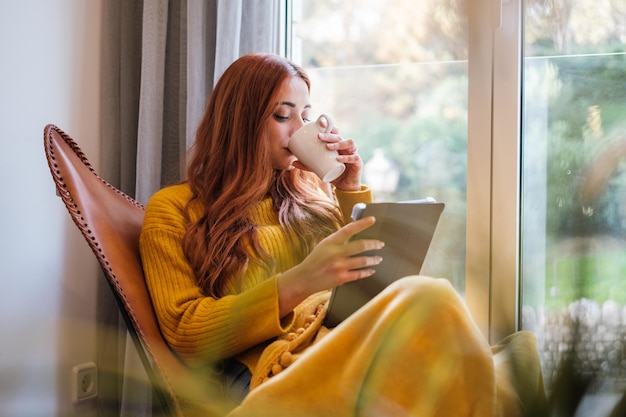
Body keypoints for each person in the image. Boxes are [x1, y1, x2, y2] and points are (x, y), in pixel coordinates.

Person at [139, 53, 546, 417]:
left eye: (306, 115)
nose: (301, 129)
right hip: (270, 369)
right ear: (240, 123)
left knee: (514, 356)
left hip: (341, 341)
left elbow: (362, 277)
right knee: (433, 299)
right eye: (284, 116)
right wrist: (299, 282)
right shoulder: (175, 209)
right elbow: (185, 331)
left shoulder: (308, 191)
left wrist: (350, 186)